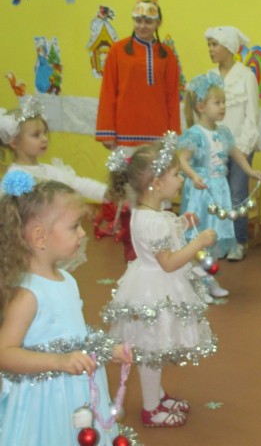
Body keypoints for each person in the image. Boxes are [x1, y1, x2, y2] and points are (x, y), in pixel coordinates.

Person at [0, 171, 133, 444]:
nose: (83, 233)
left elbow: (73, 335)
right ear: (40, 237)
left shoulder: (67, 280)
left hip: (75, 392)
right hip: (44, 402)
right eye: (74, 227)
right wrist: (59, 362)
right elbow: (4, 353)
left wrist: (105, 350)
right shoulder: (27, 294)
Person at [101, 134, 218, 428]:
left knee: (155, 347)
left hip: (152, 284)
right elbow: (168, 262)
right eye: (176, 174)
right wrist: (198, 243)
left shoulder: (151, 213)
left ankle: (158, 396)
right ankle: (151, 409)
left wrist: (182, 223)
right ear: (156, 182)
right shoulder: (151, 220)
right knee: (152, 350)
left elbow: (162, 237)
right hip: (155, 291)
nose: (181, 179)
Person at [178, 72, 261, 297]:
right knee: (200, 238)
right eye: (217, 103)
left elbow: (236, 154)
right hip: (201, 194)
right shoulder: (195, 134)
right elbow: (182, 159)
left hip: (219, 190)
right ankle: (198, 282)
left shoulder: (223, 132)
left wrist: (250, 171)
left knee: (214, 238)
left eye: (224, 102)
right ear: (201, 106)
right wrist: (193, 176)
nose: (223, 107)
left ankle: (207, 279)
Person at [1, 96, 108, 270]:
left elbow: (77, 183)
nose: (44, 138)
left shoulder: (50, 171)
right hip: (30, 247)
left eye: (45, 133)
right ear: (14, 142)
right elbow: (24, 211)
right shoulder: (16, 177)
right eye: (36, 135)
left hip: (51, 243)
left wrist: (107, 193)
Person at [204, 26, 260, 261]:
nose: (210, 49)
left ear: (228, 47)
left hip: (239, 147)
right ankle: (219, 240)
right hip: (215, 147)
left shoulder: (246, 76)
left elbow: (252, 115)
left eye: (214, 44)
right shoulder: (209, 76)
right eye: (209, 45)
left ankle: (239, 240)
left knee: (237, 195)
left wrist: (243, 148)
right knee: (217, 195)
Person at [96, 0, 180, 151]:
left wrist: (173, 134)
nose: (142, 26)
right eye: (138, 20)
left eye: (148, 21)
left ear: (158, 23)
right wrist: (106, 131)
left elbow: (173, 97)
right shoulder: (117, 50)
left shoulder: (167, 55)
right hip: (124, 134)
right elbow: (108, 92)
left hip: (158, 134)